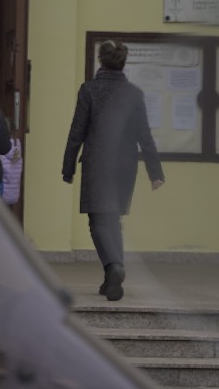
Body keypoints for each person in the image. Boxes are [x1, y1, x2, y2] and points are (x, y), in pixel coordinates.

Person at [63, 38, 165, 302]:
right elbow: (144, 135)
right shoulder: (134, 94)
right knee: (113, 220)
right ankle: (111, 282)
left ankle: (114, 266)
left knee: (98, 220)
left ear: (101, 60)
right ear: (123, 63)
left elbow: (77, 132)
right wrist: (155, 173)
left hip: (97, 163)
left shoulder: (89, 90)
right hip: (125, 165)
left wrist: (68, 167)